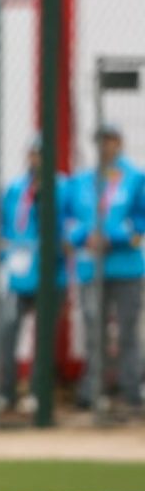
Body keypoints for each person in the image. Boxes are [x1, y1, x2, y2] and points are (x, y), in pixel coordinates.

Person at [68, 123, 145, 411]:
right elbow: (70, 220)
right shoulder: (82, 181)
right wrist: (83, 237)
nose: (105, 146)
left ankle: (131, 390)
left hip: (126, 267)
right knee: (93, 330)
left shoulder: (135, 178)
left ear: (119, 142)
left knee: (127, 330)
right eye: (100, 141)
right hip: (91, 267)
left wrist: (115, 237)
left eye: (110, 140)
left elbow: (141, 220)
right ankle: (93, 390)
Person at [0, 135, 70, 412]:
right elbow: (4, 225)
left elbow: (68, 225)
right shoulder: (16, 188)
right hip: (19, 275)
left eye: (42, 154)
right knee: (9, 331)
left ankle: (38, 392)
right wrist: (5, 254)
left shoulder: (63, 186)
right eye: (33, 153)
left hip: (51, 274)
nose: (36, 159)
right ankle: (7, 391)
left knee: (43, 337)